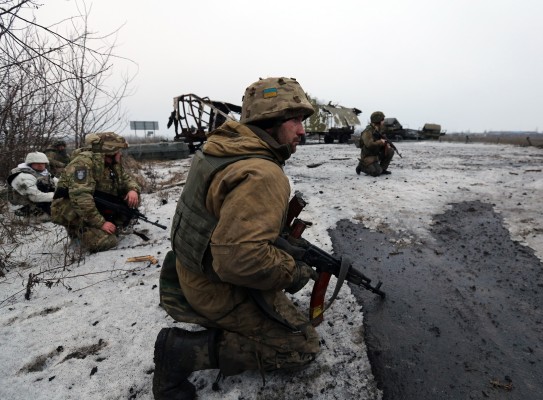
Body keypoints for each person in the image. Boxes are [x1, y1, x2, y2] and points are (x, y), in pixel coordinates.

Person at [153, 77, 321, 399]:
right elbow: (241, 261)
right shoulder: (263, 173)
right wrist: (294, 271)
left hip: (188, 270)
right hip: (214, 286)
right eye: (296, 120)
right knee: (302, 347)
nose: (303, 131)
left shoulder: (221, 148)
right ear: (270, 121)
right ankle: (180, 352)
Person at [50, 132, 141, 253]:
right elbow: (81, 198)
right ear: (110, 152)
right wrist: (101, 223)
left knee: (131, 201)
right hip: (72, 210)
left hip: (96, 205)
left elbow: (126, 179)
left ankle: (105, 225)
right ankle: (79, 232)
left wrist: (132, 190)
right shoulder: (83, 164)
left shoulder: (109, 163)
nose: (120, 154)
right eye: (118, 151)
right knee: (107, 241)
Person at [6, 152, 58, 218]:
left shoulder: (44, 173)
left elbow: (58, 183)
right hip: (23, 206)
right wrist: (57, 195)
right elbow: (34, 197)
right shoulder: (23, 176)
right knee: (54, 216)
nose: (40, 165)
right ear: (30, 163)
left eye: (42, 163)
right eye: (37, 163)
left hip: (41, 202)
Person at [356, 111, 394, 176]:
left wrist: (385, 144)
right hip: (368, 156)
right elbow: (369, 144)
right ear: (378, 120)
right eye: (382, 120)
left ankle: (383, 169)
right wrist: (381, 142)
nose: (383, 121)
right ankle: (362, 166)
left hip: (376, 154)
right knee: (376, 172)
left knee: (390, 150)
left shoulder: (378, 130)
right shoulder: (368, 131)